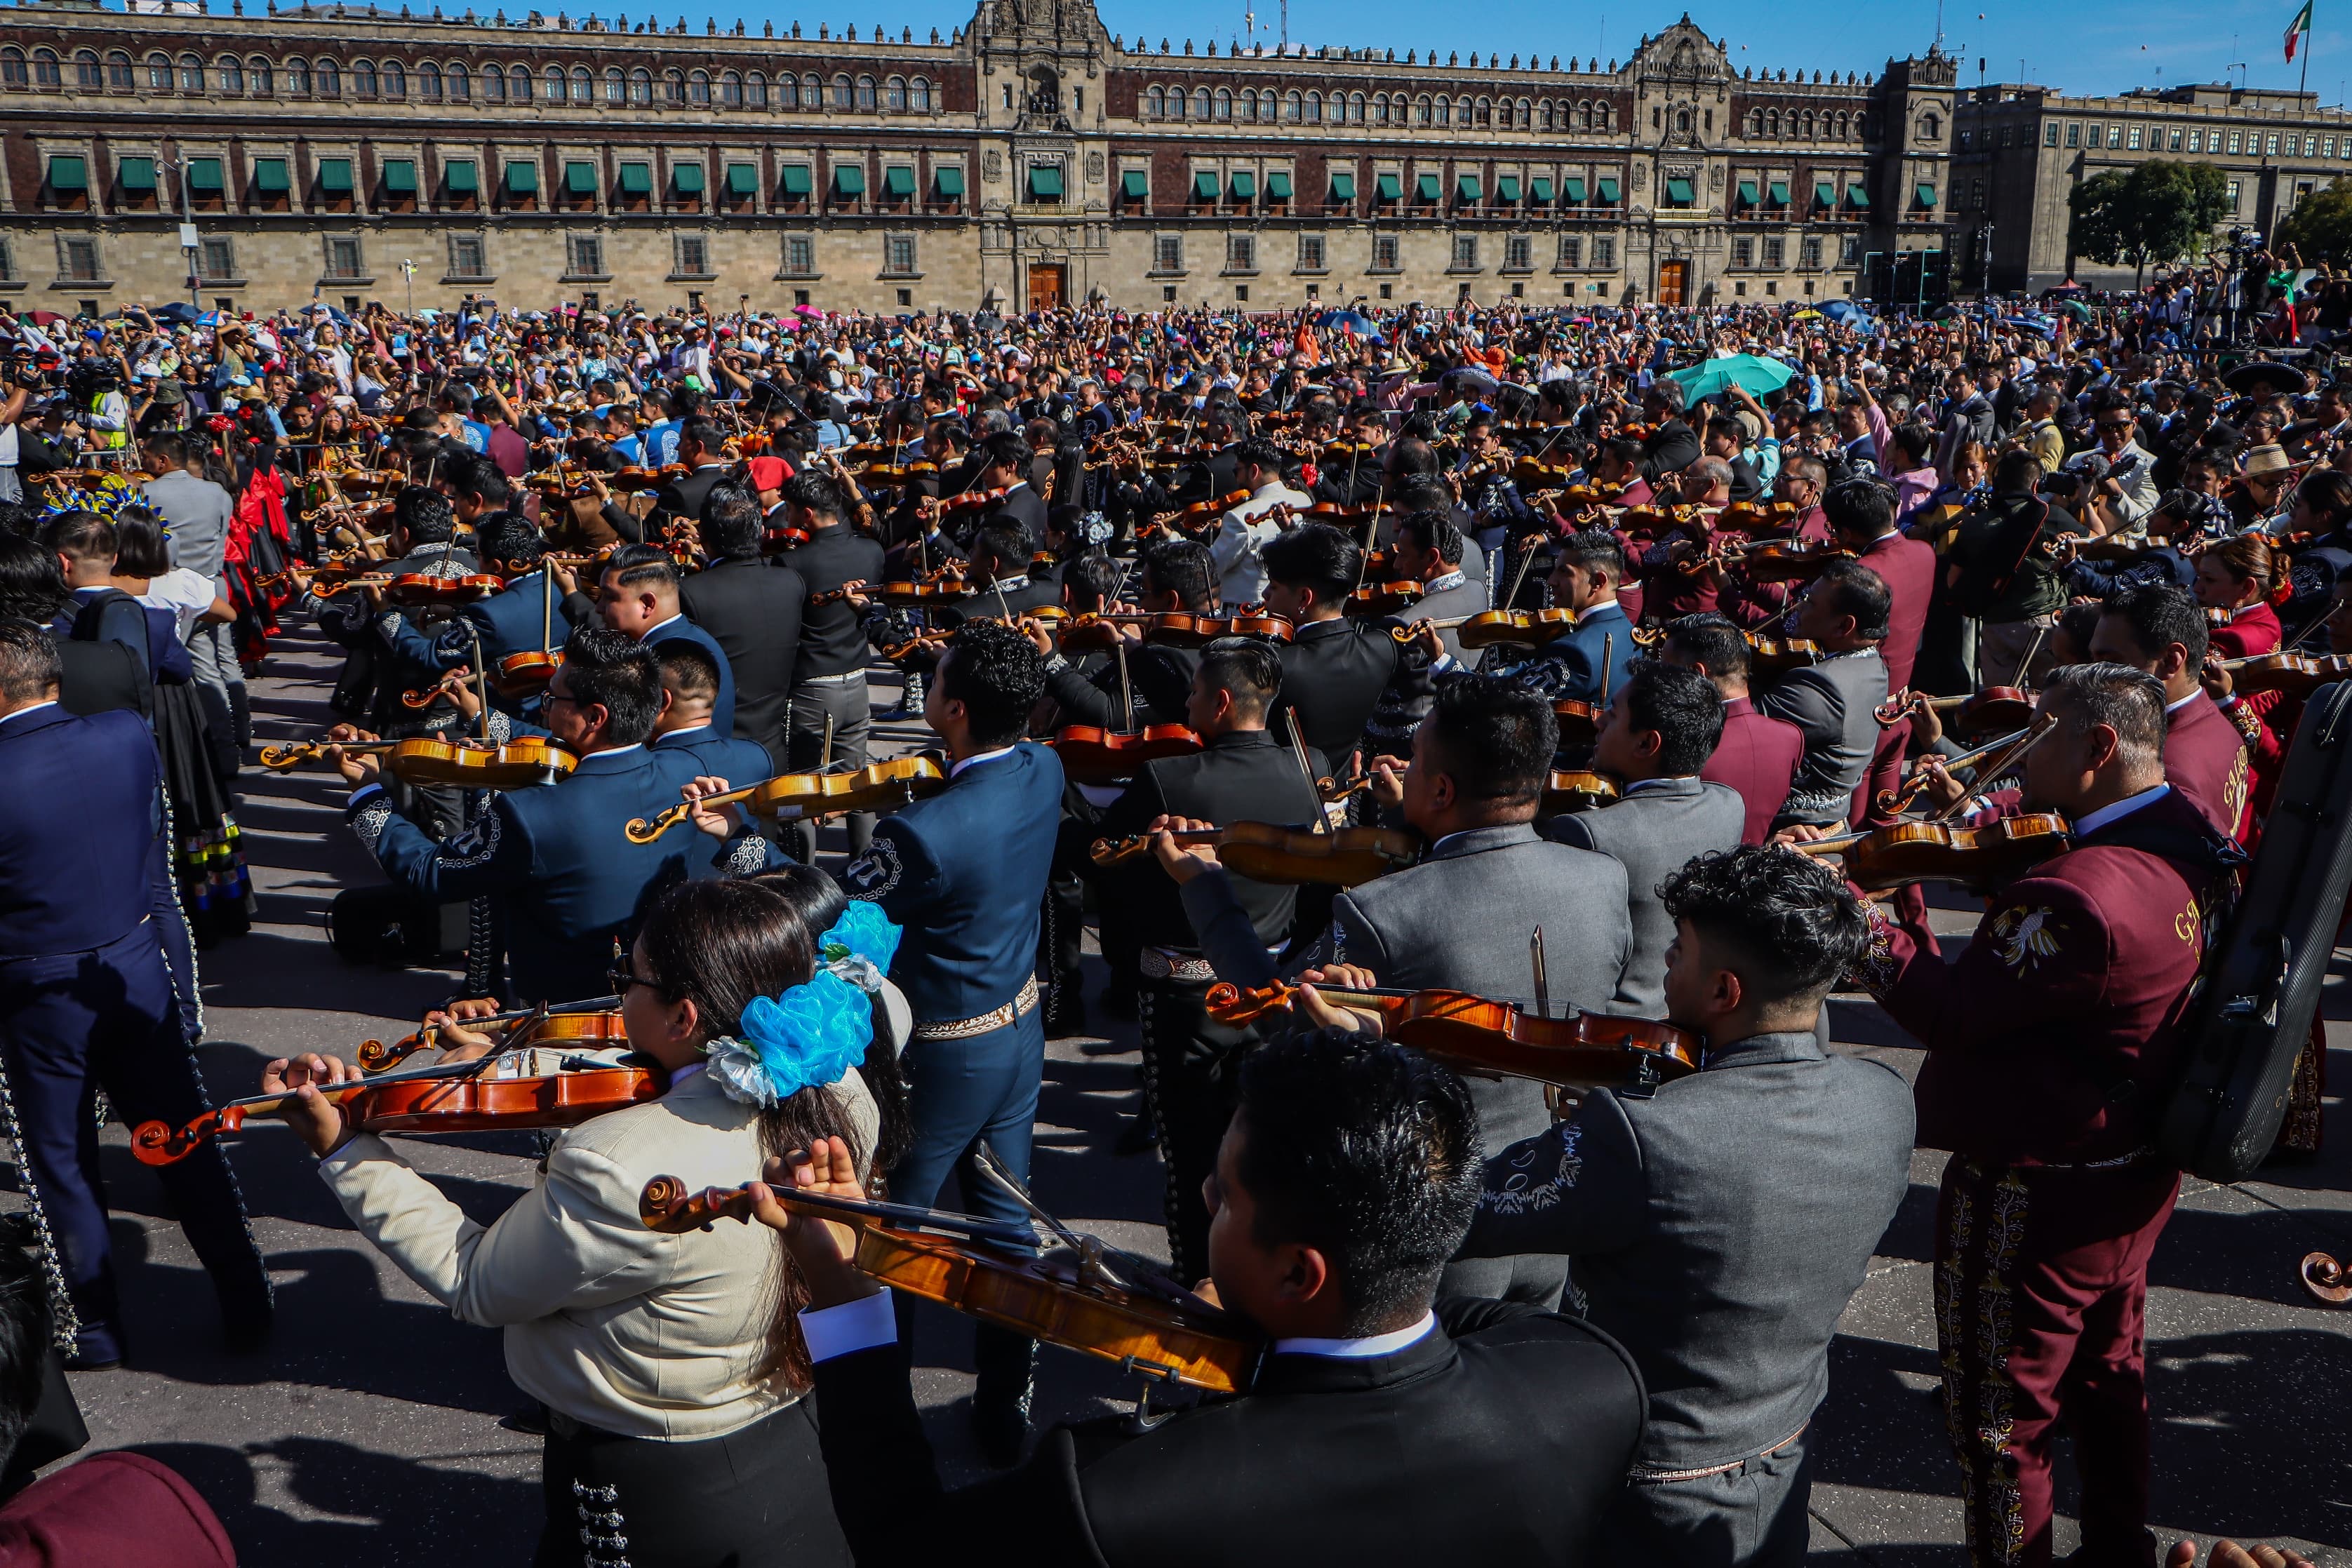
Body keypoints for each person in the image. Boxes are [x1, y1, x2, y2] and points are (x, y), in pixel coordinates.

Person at [752, 1028, 1648, 1565]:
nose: (1207, 1203)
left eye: (1222, 1194)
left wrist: (842, 1293)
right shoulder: (1590, 1384)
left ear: (1300, 1274)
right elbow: (1461, 1326)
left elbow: (902, 1545)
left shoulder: (1119, 1497)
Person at [262, 876, 898, 1568]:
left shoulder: (616, 1164)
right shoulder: (833, 1082)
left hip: (658, 1489)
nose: (617, 991)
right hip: (794, 1448)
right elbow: (668, 1075)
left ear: (685, 1018)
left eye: (629, 975)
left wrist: (345, 1148)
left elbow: (476, 1281)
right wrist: (498, 1053)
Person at [1852, 663, 2244, 1568]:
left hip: (2037, 1183)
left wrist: (1855, 914)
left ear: (2098, 747)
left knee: (1999, 1420)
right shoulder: (2184, 830)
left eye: (2038, 734)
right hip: (2134, 1165)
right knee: (2112, 1375)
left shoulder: (2075, 895)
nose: (2014, 756)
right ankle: (2117, 1549)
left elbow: (1949, 1010)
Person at [1454, 845, 1913, 1566]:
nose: (1664, 966)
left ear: (1725, 991)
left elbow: (1450, 1214)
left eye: (1678, 952)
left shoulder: (1640, 1134)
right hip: (1780, 1456)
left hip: (1645, 1490)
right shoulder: (1885, 1099)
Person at [700, 619, 1062, 1466]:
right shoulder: (1041, 766)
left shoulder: (926, 836)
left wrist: (744, 839)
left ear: (957, 710)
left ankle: (880, 1418)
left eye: (933, 678)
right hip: (1017, 1029)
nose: (923, 683)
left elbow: (834, 915)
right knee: (1008, 1228)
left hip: (945, 1054)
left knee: (889, 1236)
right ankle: (1006, 1405)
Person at [1156, 676, 1631, 1306]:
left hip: (1445, 1218)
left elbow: (1277, 1007)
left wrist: (1205, 886)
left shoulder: (1384, 910)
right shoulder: (1604, 877)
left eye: (1417, 763)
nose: (1403, 771)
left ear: (1441, 789)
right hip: (1561, 1204)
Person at [0, 619, 270, 1369]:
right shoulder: (123, 735)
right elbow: (150, 856)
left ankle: (95, 1328)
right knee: (184, 1138)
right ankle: (245, 1294)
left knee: (61, 1159)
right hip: (132, 964)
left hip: (35, 988)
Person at [1088, 637, 1327, 1285]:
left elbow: (1107, 868)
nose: (1186, 700)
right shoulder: (1311, 766)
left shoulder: (1171, 777)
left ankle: (1198, 1291)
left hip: (1187, 994)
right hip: (1277, 986)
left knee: (1194, 1164)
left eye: (1194, 691)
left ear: (1221, 703)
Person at [337, 625, 698, 1004]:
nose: (545, 707)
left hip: (561, 1014)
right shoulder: (687, 777)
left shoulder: (529, 816)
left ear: (594, 717)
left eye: (553, 698)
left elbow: (427, 872)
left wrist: (367, 792)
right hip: (659, 1004)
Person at [1543, 661, 1744, 1017]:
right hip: (1689, 1019)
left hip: (1612, 1029)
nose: (1599, 721)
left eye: (1614, 716)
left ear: (1647, 743)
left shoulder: (1590, 832)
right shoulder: (1730, 803)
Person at [767, 471, 886, 861]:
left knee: (802, 788)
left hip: (812, 689)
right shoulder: (871, 552)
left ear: (806, 514)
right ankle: (866, 870)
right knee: (858, 786)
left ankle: (805, 877)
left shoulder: (792, 562)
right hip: (857, 679)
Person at [2086, 585, 2253, 839]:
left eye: (2110, 662)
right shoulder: (2215, 719)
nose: (2093, 676)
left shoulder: (2159, 770)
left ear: (2170, 661)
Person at [1758, 560, 1891, 831]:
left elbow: (1740, 732)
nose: (1799, 606)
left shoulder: (1817, 687)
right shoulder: (1872, 663)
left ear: (1844, 626)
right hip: (1833, 824)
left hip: (1792, 836)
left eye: (1810, 602)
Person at [679, 486, 807, 768]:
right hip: (773, 749)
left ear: (705, 537)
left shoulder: (692, 593)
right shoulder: (790, 583)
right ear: (759, 531)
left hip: (718, 755)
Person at [558, 544, 737, 739]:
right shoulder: (693, 638)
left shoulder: (662, 660)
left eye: (609, 597)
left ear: (647, 604)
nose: (599, 607)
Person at [1259, 523, 1401, 761]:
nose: (1265, 594)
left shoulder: (1277, 667)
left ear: (1305, 598)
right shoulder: (1383, 649)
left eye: (1273, 586)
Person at [1662, 613, 1803, 846]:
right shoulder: (1791, 737)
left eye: (1668, 672)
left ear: (1698, 674)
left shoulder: (1682, 746)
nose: (1662, 682)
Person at [1481, 530, 1636, 708]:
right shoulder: (1631, 632)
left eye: (1564, 572)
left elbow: (1515, 700)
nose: (1551, 581)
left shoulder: (1577, 653)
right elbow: (1533, 669)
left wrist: (1452, 671)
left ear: (1598, 582)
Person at [1208, 438, 1312, 607]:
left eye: (1237, 471)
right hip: (1288, 611)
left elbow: (1211, 568)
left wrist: (1174, 539)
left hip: (1244, 614)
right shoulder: (1303, 500)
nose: (1236, 479)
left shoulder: (1239, 517)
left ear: (1254, 471)